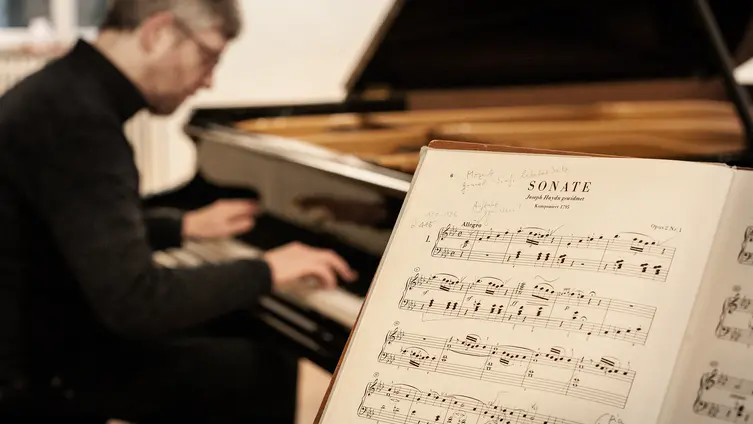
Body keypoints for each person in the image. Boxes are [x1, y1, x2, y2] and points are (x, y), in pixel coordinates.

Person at [0, 0, 358, 422]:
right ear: (158, 33)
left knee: (238, 325)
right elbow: (136, 302)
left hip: (37, 329)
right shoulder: (81, 124)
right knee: (257, 367)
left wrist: (181, 226)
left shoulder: (60, 92)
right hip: (40, 370)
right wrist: (267, 269)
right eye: (208, 57)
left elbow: (75, 225)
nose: (209, 81)